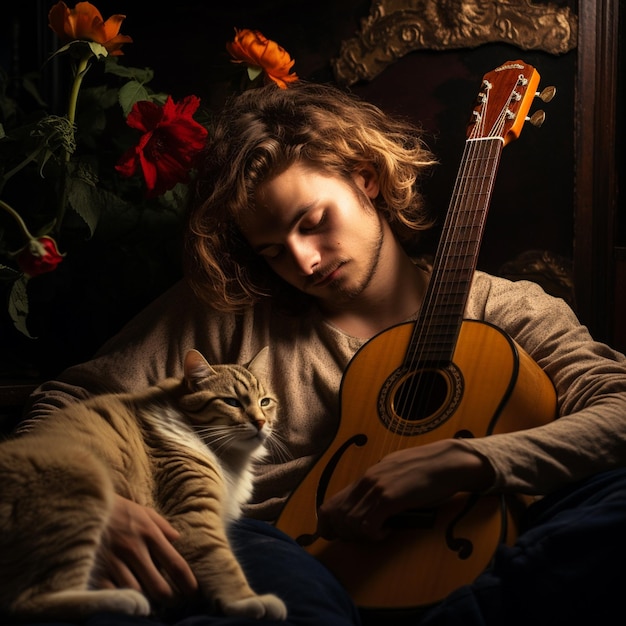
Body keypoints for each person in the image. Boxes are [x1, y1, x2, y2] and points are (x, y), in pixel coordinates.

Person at [20, 80, 626, 626]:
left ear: (365, 176)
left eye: (313, 221)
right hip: (283, 553)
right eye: (272, 250)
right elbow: (69, 404)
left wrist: (469, 461)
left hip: (489, 543)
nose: (303, 262)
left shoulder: (509, 308)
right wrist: (90, 505)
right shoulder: (227, 311)